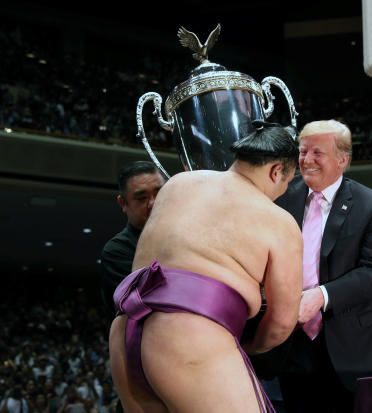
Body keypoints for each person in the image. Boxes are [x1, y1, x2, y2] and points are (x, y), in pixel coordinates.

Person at [108, 122, 303, 413]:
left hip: (125, 331)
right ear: (276, 172)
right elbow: (281, 324)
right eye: (286, 183)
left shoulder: (178, 183)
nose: (283, 191)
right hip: (189, 338)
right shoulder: (279, 221)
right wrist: (250, 347)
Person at [259, 119, 372, 413]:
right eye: (302, 151)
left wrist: (321, 296)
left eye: (317, 153)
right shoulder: (280, 197)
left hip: (355, 349)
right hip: (293, 346)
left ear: (342, 159)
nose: (306, 160)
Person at [99, 161, 167, 321]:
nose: (153, 203)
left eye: (160, 193)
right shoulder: (116, 251)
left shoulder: (189, 232)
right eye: (142, 198)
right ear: (123, 203)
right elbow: (146, 305)